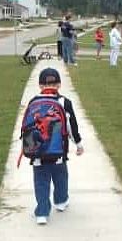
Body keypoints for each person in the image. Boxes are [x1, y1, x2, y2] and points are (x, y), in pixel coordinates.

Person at [23, 68, 84, 225]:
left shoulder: (33, 102)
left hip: (37, 154)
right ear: (59, 85)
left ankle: (42, 213)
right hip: (58, 153)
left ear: (40, 85)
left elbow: (27, 128)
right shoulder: (64, 102)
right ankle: (61, 202)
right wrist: (78, 144)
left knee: (41, 181)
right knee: (60, 178)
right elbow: (72, 127)